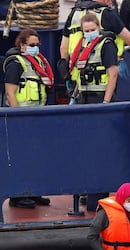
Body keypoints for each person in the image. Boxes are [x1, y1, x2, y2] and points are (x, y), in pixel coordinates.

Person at [3, 28, 53, 208]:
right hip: (21, 118)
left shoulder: (37, 62)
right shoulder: (15, 63)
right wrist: (17, 118)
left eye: (37, 45)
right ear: (22, 45)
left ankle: (34, 191)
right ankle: (18, 196)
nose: (35, 48)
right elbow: (10, 93)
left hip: (36, 116)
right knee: (20, 157)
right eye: (32, 45)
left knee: (36, 156)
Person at [60, 0, 130, 61]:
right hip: (103, 72)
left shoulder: (74, 14)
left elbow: (63, 48)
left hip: (76, 73)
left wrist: (66, 68)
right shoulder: (107, 14)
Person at [68, 13, 118, 104]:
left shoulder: (106, 45)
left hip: (100, 95)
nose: (90, 33)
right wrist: (74, 97)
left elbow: (113, 74)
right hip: (83, 96)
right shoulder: (83, 44)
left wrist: (106, 101)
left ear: (98, 27)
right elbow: (80, 73)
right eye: (87, 31)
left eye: (93, 30)